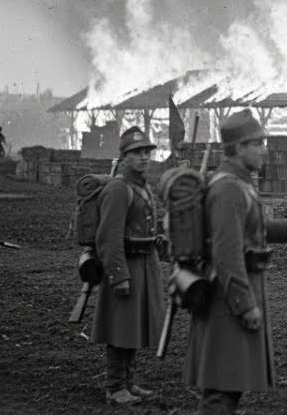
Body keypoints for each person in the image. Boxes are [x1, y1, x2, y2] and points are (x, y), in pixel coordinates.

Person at [185, 110, 287, 415]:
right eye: (257, 144)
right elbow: (227, 254)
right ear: (238, 148)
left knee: (229, 385)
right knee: (221, 390)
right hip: (227, 299)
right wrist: (245, 305)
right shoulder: (228, 189)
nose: (264, 150)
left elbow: (253, 231)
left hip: (231, 294)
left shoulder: (239, 184)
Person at [92, 125, 164, 405]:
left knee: (134, 326)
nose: (144, 157)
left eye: (147, 151)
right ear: (124, 157)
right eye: (137, 152)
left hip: (145, 264)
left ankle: (129, 383)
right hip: (127, 267)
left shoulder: (142, 186)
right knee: (120, 328)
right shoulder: (118, 188)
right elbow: (108, 238)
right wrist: (119, 275)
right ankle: (114, 387)